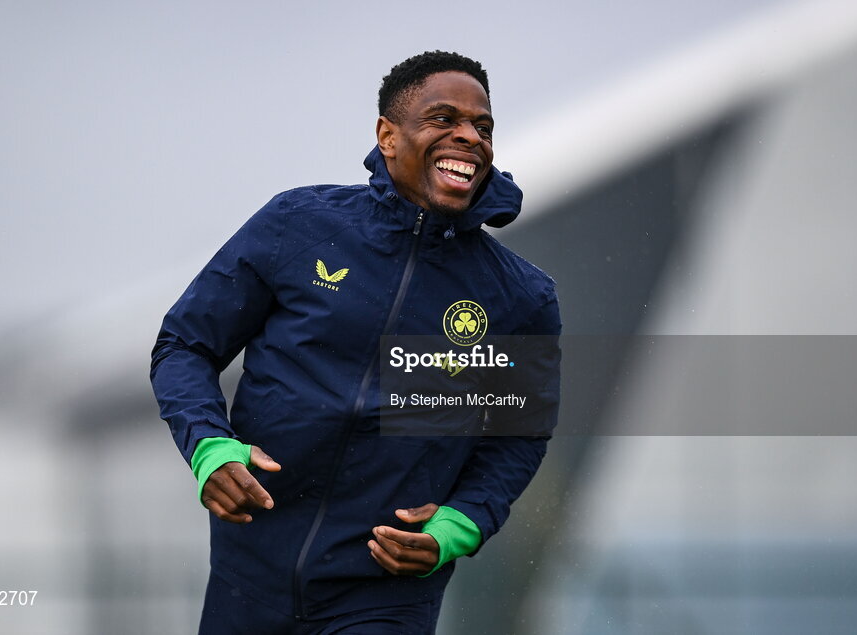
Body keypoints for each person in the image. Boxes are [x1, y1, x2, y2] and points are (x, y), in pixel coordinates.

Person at [150, 50, 561, 634]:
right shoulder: (298, 223)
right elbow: (184, 344)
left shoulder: (521, 296)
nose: (469, 137)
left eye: (483, 126)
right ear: (388, 136)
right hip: (249, 574)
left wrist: (459, 525)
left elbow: (517, 437)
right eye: (443, 119)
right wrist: (208, 447)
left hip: (384, 594)